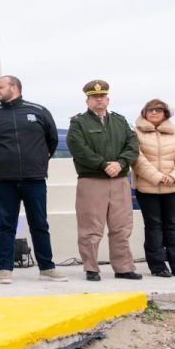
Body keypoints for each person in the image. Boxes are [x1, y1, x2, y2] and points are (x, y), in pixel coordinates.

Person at [0, 75, 67, 284]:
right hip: (4, 180)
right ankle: (5, 269)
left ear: (14, 87)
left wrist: (37, 161)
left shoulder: (38, 111)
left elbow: (52, 140)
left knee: (39, 223)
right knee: (6, 225)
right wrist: (2, 161)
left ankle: (47, 267)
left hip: (34, 179)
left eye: (0, 87)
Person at [66, 80, 142, 282]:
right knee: (90, 228)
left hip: (119, 180)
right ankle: (91, 268)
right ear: (87, 100)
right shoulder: (79, 123)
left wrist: (121, 163)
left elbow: (133, 144)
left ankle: (124, 267)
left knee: (121, 226)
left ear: (107, 99)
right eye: (94, 97)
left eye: (102, 96)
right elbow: (78, 148)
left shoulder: (120, 121)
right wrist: (103, 164)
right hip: (92, 180)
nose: (99, 100)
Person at [132, 99, 175, 278]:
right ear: (144, 112)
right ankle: (157, 266)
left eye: (159, 110)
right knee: (153, 227)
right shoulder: (135, 133)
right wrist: (157, 177)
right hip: (147, 188)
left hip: (172, 188)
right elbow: (137, 159)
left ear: (166, 113)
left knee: (172, 226)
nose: (155, 112)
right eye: (151, 110)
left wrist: (174, 177)